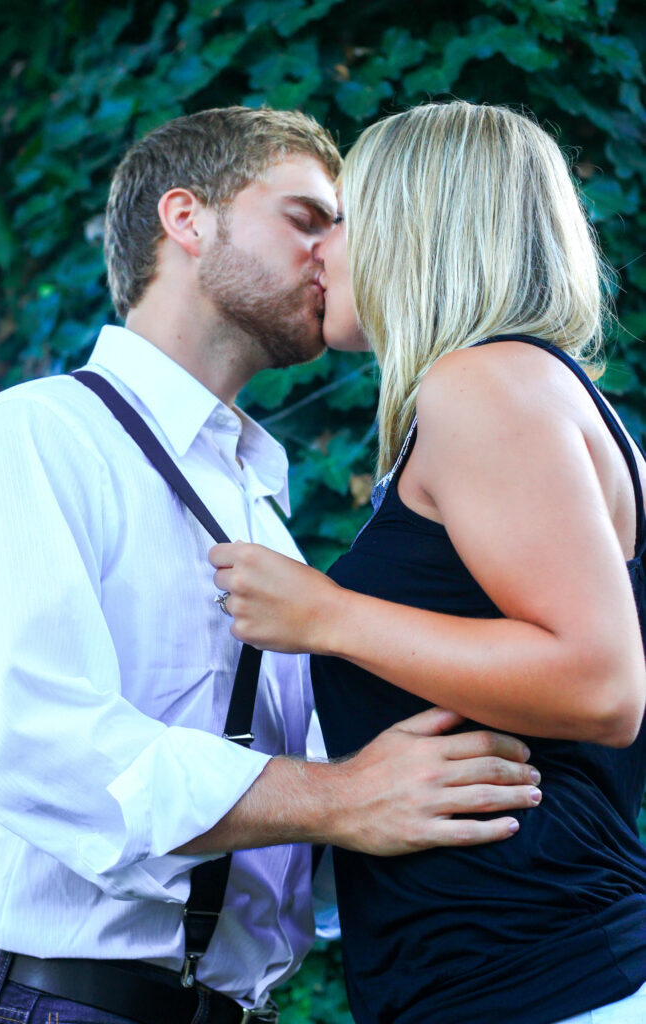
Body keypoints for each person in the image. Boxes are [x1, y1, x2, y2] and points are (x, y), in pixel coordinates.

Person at [0, 107, 543, 1024]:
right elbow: (36, 752)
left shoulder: (258, 498)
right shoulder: (36, 434)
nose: (336, 254)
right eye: (307, 219)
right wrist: (344, 795)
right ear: (187, 220)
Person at [208, 102, 646, 1024]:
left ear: (419, 224)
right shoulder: (534, 393)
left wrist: (329, 616)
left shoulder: (482, 387)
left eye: (345, 219)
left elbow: (602, 685)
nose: (321, 253)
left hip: (532, 979)